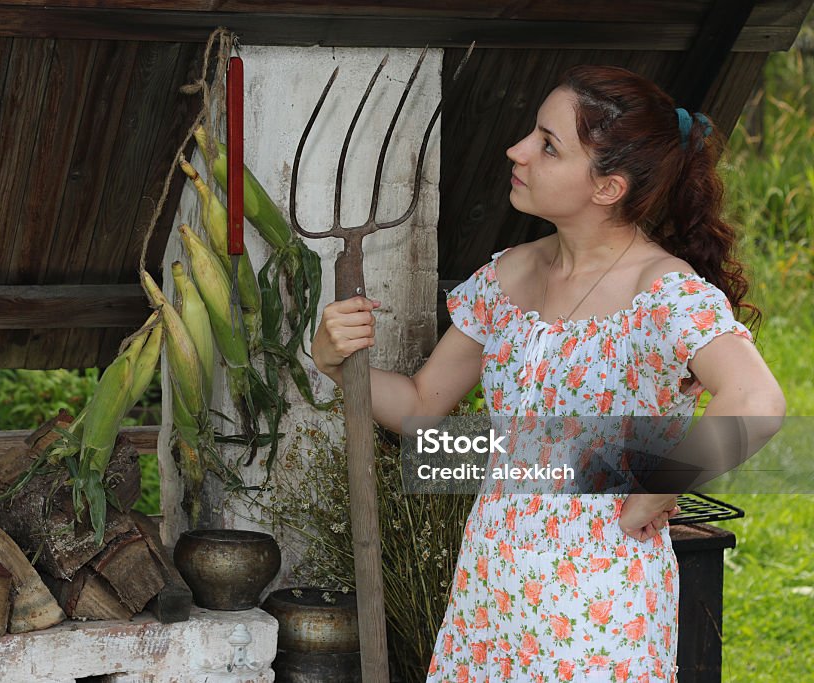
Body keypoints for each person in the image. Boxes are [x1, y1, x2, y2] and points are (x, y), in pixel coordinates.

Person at [311, 65, 786, 682]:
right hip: (490, 597)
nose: (517, 150)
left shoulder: (662, 292)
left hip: (596, 610)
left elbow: (756, 396)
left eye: (548, 145)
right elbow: (421, 406)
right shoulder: (510, 275)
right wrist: (337, 363)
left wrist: (663, 483)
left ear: (608, 187)